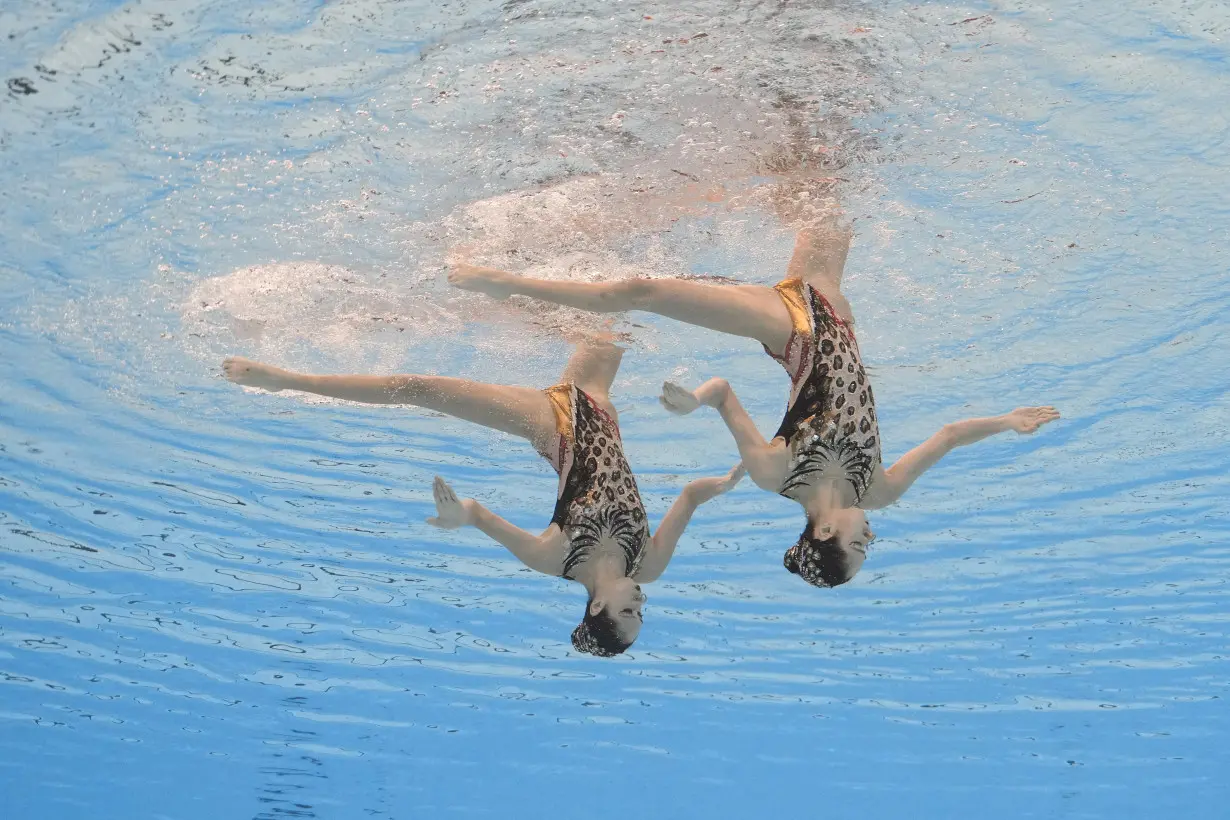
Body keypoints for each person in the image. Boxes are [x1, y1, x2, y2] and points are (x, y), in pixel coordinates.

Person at [448, 215, 1059, 589]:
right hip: (834, 312)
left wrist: (694, 403)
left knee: (639, 292)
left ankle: (502, 282)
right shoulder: (880, 489)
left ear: (823, 530)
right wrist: (1006, 422)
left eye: (858, 544)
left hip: (787, 330)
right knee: (826, 185)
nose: (870, 536)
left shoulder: (775, 475)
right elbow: (949, 435)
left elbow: (723, 395)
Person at [222, 338, 743, 656]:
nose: (642, 605)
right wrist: (732, 480)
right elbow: (691, 496)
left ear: (599, 606)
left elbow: (477, 514)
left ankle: (285, 379)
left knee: (418, 388)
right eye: (641, 617)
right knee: (606, 300)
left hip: (549, 426)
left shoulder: (552, 558)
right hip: (599, 407)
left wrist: (457, 516)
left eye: (630, 616)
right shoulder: (648, 565)